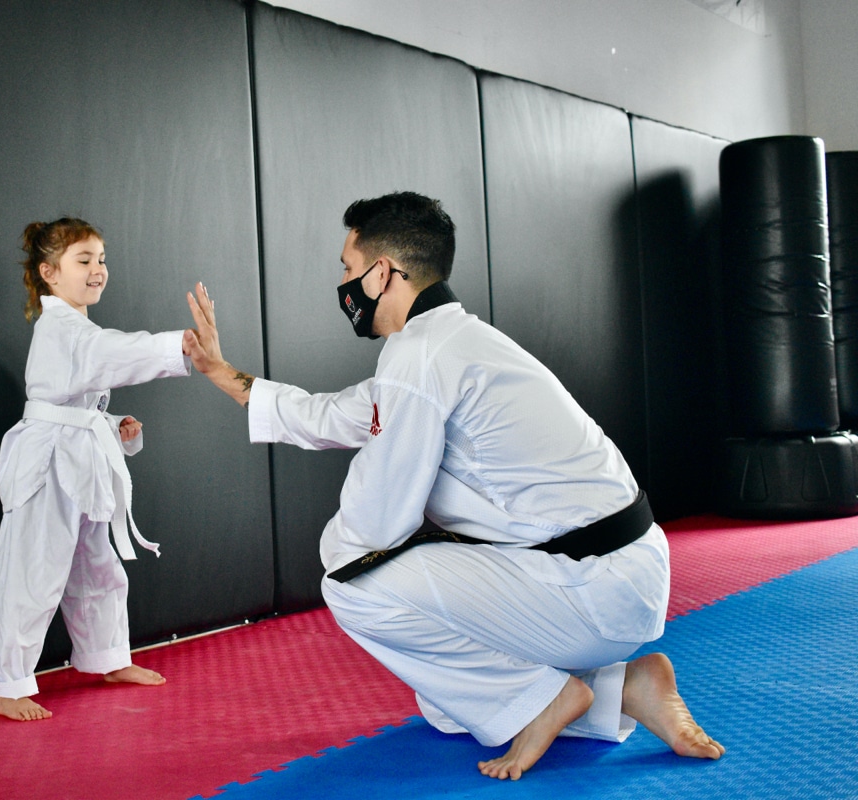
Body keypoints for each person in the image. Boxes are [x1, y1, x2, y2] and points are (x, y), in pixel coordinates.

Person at [181, 192, 725, 778]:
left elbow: (375, 525)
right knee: (446, 704)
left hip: (592, 585)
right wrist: (221, 372)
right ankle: (625, 688)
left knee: (350, 583)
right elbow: (329, 413)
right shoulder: (451, 342)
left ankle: (549, 700)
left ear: (381, 272)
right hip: (620, 572)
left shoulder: (420, 359)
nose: (342, 282)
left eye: (347, 267)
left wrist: (351, 552)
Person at [0, 217, 190, 721]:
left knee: (96, 564)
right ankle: (7, 684)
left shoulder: (76, 327)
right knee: (33, 571)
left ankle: (107, 658)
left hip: (77, 454)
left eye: (101, 260)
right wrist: (177, 344)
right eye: (84, 261)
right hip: (48, 461)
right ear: (49, 272)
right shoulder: (62, 328)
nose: (98, 270)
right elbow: (108, 355)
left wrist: (114, 422)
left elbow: (80, 393)